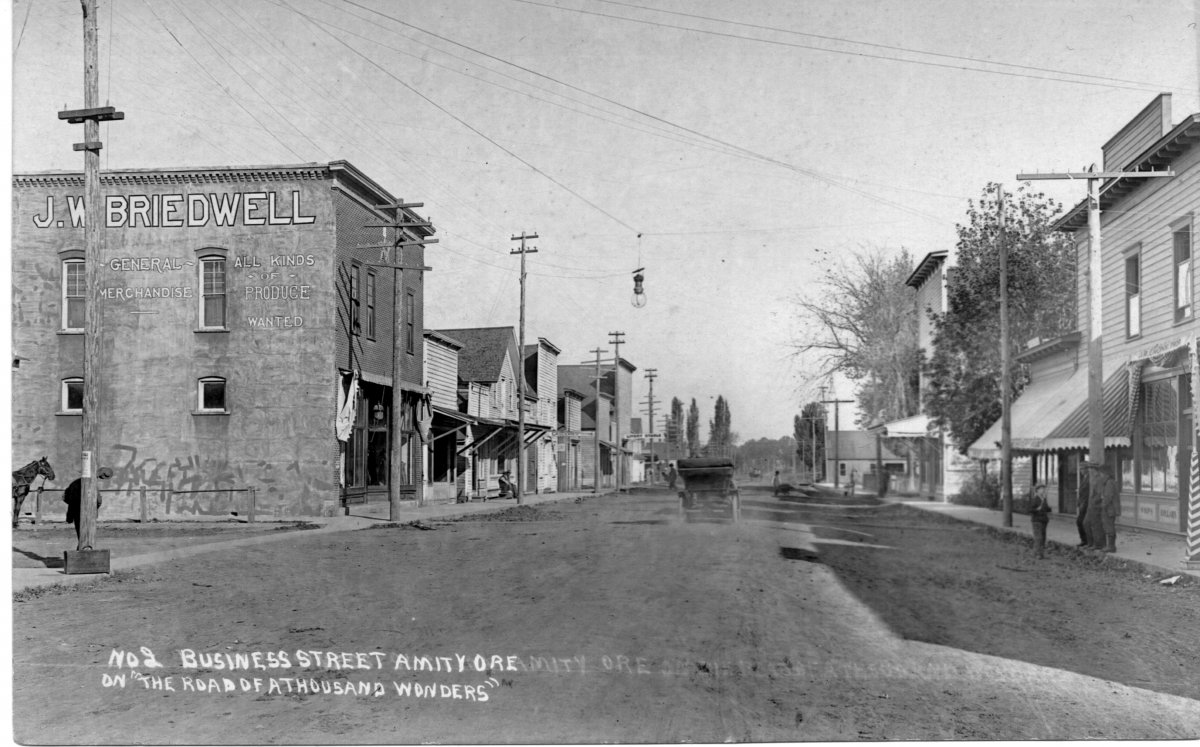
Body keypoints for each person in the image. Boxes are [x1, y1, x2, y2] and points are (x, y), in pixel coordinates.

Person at [63, 467, 112, 545]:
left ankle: (82, 552)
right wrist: (95, 508)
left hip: (75, 512)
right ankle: (84, 553)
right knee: (88, 535)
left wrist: (70, 515)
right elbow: (98, 501)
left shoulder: (75, 483)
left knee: (81, 535)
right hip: (89, 512)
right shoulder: (92, 483)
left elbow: (65, 497)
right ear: (102, 475)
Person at [1099, 466, 1121, 553]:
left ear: (1106, 474)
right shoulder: (1111, 482)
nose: (1101, 476)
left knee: (1109, 527)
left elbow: (1108, 497)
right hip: (1110, 508)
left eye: (1101, 474)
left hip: (1109, 509)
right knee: (1109, 526)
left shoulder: (1109, 483)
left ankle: (1111, 546)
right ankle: (1110, 545)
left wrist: (1103, 505)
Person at [1029, 482, 1051, 559]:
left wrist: (1049, 509)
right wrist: (1036, 509)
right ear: (1037, 490)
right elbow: (1030, 510)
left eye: (1043, 489)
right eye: (1041, 489)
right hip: (1037, 521)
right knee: (1038, 537)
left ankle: (1040, 553)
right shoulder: (1035, 499)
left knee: (1043, 538)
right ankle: (1037, 553)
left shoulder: (1044, 499)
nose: (1043, 490)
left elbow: (1047, 508)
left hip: (1044, 520)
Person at [1075, 465, 1092, 547]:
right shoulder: (1084, 478)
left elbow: (1087, 493)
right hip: (1082, 503)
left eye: (1082, 468)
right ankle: (1084, 540)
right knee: (1080, 522)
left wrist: (1083, 504)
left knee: (1081, 522)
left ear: (1087, 469)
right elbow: (1081, 492)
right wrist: (1078, 503)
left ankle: (1086, 540)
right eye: (1080, 469)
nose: (1081, 471)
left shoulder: (1089, 478)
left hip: (1087, 504)